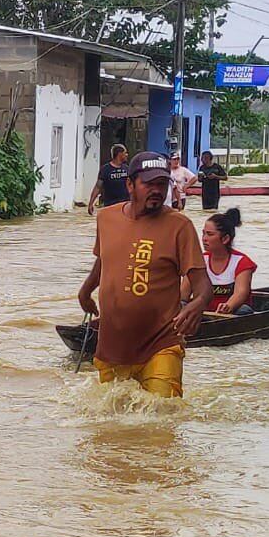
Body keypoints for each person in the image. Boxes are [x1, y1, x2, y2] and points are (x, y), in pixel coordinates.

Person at [77, 151, 212, 398]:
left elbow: (202, 282)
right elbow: (104, 259)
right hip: (113, 346)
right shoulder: (106, 218)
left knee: (161, 421)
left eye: (162, 184)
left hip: (161, 343)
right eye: (149, 184)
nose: (157, 190)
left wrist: (199, 303)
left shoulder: (179, 226)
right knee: (108, 429)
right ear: (130, 185)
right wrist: (86, 291)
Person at [200, 207, 256, 314]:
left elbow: (241, 292)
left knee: (244, 310)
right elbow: (183, 294)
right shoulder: (199, 260)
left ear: (225, 239)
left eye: (210, 234)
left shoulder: (242, 262)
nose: (204, 238)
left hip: (233, 312)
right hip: (204, 313)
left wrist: (228, 306)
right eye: (204, 233)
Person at [87, 143, 130, 213]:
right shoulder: (105, 169)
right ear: (119, 154)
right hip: (110, 206)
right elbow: (98, 187)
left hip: (125, 206)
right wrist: (91, 203)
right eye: (125, 153)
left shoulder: (127, 169)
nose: (127, 155)